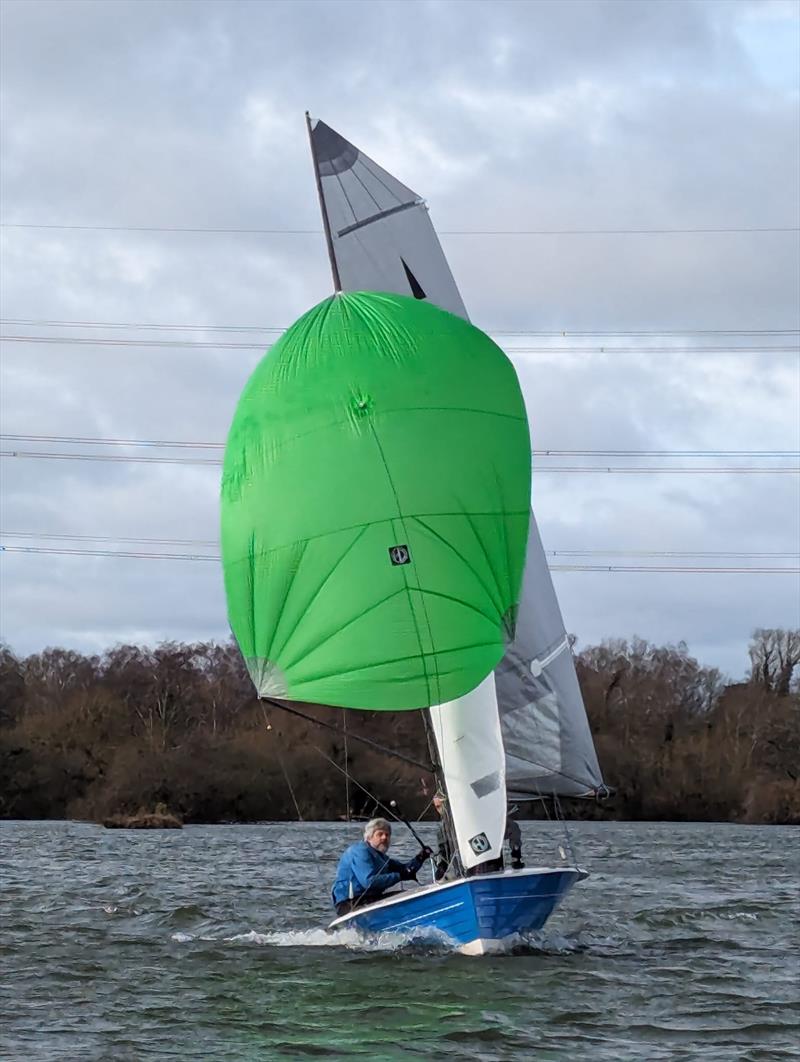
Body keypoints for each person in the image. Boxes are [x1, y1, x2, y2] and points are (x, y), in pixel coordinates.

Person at [331, 818, 432, 917]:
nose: (384, 837)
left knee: (410, 895)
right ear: (369, 837)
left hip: (370, 899)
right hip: (350, 903)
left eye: (387, 835)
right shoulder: (360, 851)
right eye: (380, 834)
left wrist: (420, 858)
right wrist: (399, 876)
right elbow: (368, 882)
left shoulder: (381, 857)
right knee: (408, 898)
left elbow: (406, 870)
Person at [433, 792, 525, 878]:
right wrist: (441, 868)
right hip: (466, 875)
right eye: (437, 807)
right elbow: (443, 852)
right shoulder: (444, 830)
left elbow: (513, 828)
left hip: (493, 869)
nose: (440, 810)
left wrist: (516, 854)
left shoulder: (482, 817)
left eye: (441, 806)